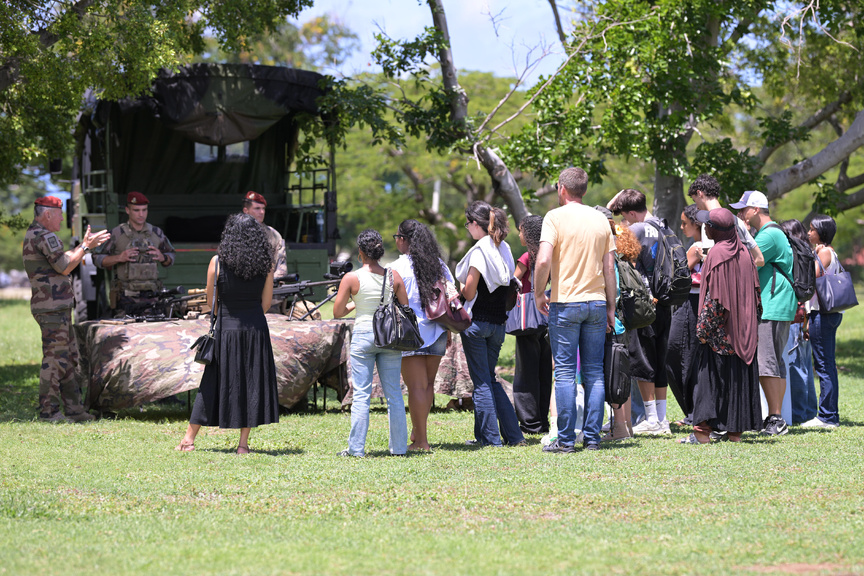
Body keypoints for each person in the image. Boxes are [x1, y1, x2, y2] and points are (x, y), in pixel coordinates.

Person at [176, 214, 279, 454]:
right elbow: (265, 303)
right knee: (251, 383)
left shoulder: (217, 262)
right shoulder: (266, 265)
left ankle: (189, 439)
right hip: (255, 329)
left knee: (211, 382)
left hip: (226, 327)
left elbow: (211, 301)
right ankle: (242, 446)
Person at [535, 168, 616, 452]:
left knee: (566, 372)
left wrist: (537, 292)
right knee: (594, 372)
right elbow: (609, 268)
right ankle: (593, 438)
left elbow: (544, 260)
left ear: (562, 189)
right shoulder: (600, 219)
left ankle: (566, 440)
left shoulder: (554, 217)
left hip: (565, 301)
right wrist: (611, 307)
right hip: (596, 302)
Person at [23, 196, 110, 422]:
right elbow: (64, 267)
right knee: (54, 359)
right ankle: (48, 412)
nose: (63, 218)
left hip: (55, 306)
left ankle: (75, 410)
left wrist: (84, 247)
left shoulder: (36, 234)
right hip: (52, 307)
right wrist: (85, 247)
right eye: (59, 214)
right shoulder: (44, 235)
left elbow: (62, 260)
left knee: (69, 356)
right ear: (48, 214)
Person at [686, 208, 762, 444]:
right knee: (736, 380)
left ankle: (702, 433)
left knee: (709, 381)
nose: (705, 228)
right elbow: (756, 296)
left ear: (715, 229)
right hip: (744, 331)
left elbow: (715, 298)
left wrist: (703, 330)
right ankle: (734, 434)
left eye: (707, 225)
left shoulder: (718, 253)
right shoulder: (744, 252)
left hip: (720, 332)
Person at [333, 229, 409, 456]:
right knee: (394, 394)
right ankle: (399, 448)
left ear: (360, 253)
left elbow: (338, 311)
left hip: (364, 334)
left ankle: (356, 449)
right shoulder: (394, 276)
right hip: (389, 337)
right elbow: (404, 308)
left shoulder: (351, 278)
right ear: (379, 252)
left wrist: (356, 304)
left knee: (362, 394)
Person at [456, 201, 525, 448]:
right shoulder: (504, 248)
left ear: (476, 224)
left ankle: (490, 439)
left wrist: (458, 289)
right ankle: (514, 436)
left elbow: (471, 290)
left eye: (468, 224)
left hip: (476, 323)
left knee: (482, 382)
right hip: (498, 324)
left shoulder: (479, 251)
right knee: (490, 379)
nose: (468, 229)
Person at [732, 190, 797, 436]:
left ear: (756, 209)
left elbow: (745, 260)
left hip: (771, 305)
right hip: (780, 304)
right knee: (776, 363)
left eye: (743, 209)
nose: (741, 214)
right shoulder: (773, 232)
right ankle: (777, 416)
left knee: (766, 364)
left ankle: (775, 418)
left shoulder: (768, 235)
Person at [608, 188, 672, 436]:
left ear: (631, 213)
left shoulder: (635, 230)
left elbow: (607, 228)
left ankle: (651, 418)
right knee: (659, 359)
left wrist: (613, 202)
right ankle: (663, 419)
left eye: (626, 215)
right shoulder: (662, 225)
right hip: (665, 300)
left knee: (644, 360)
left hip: (644, 303)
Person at [391, 219, 453, 451]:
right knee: (426, 386)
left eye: (397, 237)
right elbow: (450, 296)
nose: (396, 241)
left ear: (404, 240)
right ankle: (418, 434)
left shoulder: (398, 266)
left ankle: (423, 442)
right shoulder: (438, 264)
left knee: (416, 387)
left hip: (411, 332)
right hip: (438, 330)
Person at [93, 192, 175, 316]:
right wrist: (119, 258)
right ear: (127, 210)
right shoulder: (116, 233)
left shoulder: (156, 233)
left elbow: (171, 256)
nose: (141, 214)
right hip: (126, 299)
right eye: (136, 210)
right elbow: (96, 258)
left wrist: (163, 257)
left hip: (152, 298)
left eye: (144, 210)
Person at [512, 214, 553, 435]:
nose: (518, 234)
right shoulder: (551, 255)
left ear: (528, 234)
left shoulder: (527, 257)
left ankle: (530, 423)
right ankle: (543, 420)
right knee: (544, 371)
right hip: (547, 318)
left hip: (527, 318)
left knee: (526, 373)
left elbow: (514, 283)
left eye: (520, 230)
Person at [801, 214, 843, 429]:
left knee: (824, 366)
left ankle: (827, 416)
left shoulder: (824, 251)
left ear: (821, 232)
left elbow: (814, 276)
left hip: (823, 315)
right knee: (826, 365)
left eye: (812, 229)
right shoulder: (824, 251)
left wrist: (813, 256)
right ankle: (829, 413)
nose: (808, 233)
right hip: (824, 314)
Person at [602, 216, 642, 442]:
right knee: (621, 373)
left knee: (615, 375)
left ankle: (619, 428)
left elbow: (611, 294)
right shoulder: (620, 257)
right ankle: (625, 427)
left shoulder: (608, 260)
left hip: (612, 323)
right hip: (623, 323)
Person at [665, 204, 704, 425]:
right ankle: (692, 411)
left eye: (684, 223)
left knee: (679, 355)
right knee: (684, 356)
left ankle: (693, 412)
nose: (681, 227)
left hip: (692, 302)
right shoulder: (697, 245)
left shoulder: (697, 248)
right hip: (692, 302)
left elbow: (680, 275)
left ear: (696, 224)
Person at [779, 219, 817, 425]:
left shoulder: (794, 255)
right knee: (804, 365)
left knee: (795, 366)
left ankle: (799, 412)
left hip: (794, 315)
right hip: (805, 316)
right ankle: (809, 410)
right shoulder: (808, 254)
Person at [687, 174, 764, 267]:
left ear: (699, 193)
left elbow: (716, 263)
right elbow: (760, 259)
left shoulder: (708, 224)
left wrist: (701, 257)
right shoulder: (736, 220)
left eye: (695, 201)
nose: (697, 207)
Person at [242, 191, 288, 279]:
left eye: (263, 208)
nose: (262, 212)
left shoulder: (274, 235)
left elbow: (281, 265)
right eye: (257, 208)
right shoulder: (236, 233)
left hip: (270, 285)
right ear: (246, 211)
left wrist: (270, 283)